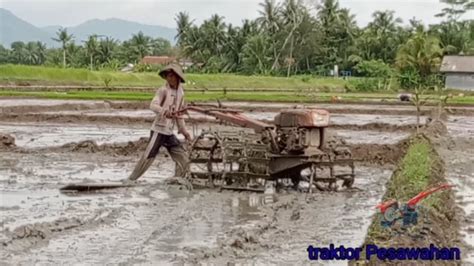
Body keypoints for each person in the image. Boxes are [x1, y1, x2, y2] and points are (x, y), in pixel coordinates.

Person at [128, 64, 192, 181]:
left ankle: (179, 179)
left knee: (182, 156)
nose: (169, 78)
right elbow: (152, 105)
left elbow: (179, 115)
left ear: (177, 77)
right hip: (158, 130)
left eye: (171, 76)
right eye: (167, 76)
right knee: (148, 157)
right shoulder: (163, 90)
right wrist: (164, 111)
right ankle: (131, 180)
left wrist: (184, 131)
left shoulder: (181, 93)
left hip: (168, 132)